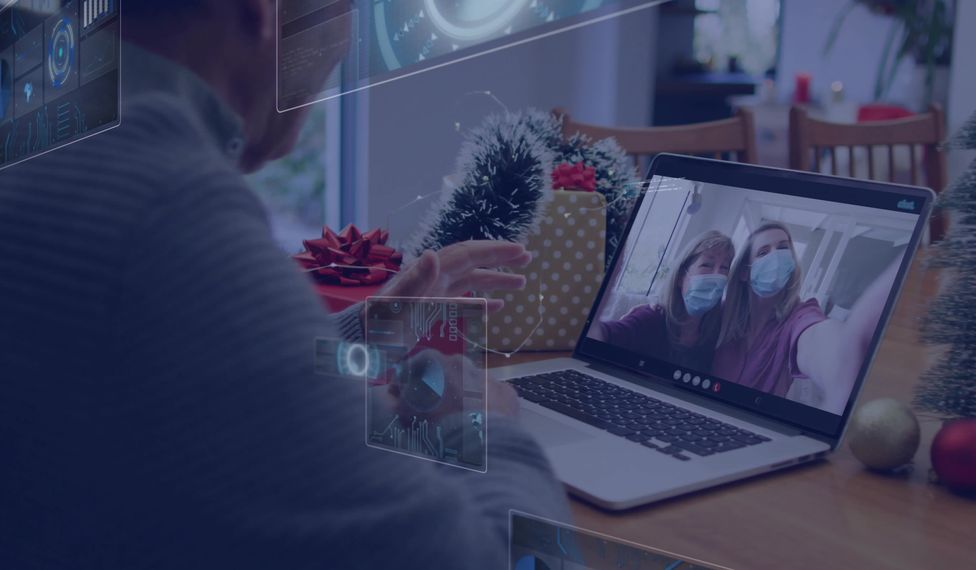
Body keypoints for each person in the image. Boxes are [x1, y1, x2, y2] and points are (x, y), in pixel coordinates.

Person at [0, 1, 568, 568]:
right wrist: (487, 429)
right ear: (264, 12)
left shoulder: (47, 133)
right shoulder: (162, 209)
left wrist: (363, 333)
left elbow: (178, 374)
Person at [713, 223, 900, 414]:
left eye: (783, 248)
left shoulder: (799, 316)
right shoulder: (720, 314)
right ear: (744, 272)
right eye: (763, 252)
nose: (776, 257)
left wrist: (846, 361)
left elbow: (818, 340)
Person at [591, 230, 734, 372]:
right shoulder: (652, 317)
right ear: (680, 277)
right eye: (707, 265)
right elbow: (603, 336)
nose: (717, 275)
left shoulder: (718, 334)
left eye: (724, 268)